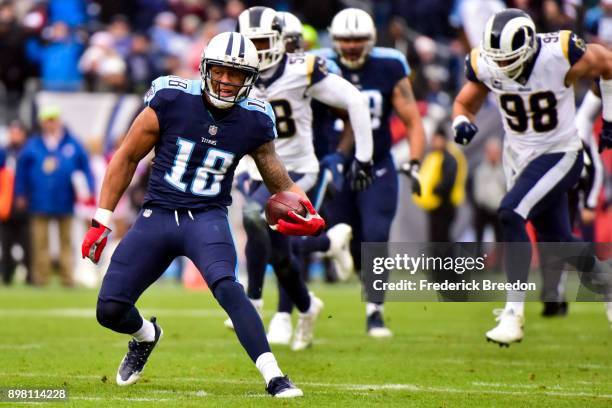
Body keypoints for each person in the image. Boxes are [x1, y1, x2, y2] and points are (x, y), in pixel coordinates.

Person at [82, 32, 325, 398]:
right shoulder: (170, 98)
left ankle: (275, 376)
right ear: (205, 68)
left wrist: (305, 207)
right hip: (158, 214)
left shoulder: (255, 120)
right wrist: (102, 220)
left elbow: (276, 175)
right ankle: (146, 335)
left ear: (250, 79)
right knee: (110, 309)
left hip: (206, 216)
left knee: (228, 286)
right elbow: (126, 157)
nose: (226, 80)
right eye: (220, 71)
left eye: (237, 74)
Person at [452, 8, 612, 346]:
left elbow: (608, 65)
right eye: (499, 60)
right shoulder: (486, 62)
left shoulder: (560, 51)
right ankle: (606, 280)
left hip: (560, 152)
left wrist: (609, 117)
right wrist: (460, 121)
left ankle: (513, 313)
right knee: (558, 244)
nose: (504, 67)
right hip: (518, 158)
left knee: (510, 212)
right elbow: (465, 104)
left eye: (511, 59)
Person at [234, 6, 373, 349]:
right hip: (257, 169)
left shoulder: (303, 69)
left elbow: (354, 101)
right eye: (252, 43)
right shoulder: (234, 72)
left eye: (265, 42)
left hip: (297, 171)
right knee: (280, 254)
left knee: (256, 216)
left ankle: (253, 302)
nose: (260, 51)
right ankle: (309, 305)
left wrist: (362, 158)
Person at [311, 8, 426, 337]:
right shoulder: (318, 65)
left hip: (376, 165)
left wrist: (415, 161)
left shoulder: (389, 65)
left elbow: (412, 120)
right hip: (334, 167)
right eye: (345, 40)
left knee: (375, 235)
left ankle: (375, 311)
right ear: (334, 40)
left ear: (371, 39)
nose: (350, 46)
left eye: (357, 39)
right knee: (345, 237)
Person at [15, 105, 94, 287]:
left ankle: (67, 276)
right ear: (42, 122)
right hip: (39, 199)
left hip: (65, 199)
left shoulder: (73, 143)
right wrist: (20, 193)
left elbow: (85, 168)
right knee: (40, 241)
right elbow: (21, 171)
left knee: (66, 241)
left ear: (59, 120)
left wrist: (88, 190)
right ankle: (40, 277)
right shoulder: (33, 145)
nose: (50, 123)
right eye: (47, 120)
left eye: (53, 119)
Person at [413, 128, 467, 243]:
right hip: (434, 206)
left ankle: (445, 261)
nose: (435, 142)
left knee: (442, 239)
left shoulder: (449, 158)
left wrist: (434, 190)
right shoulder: (435, 156)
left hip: (444, 205)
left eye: (437, 140)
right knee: (436, 239)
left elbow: (447, 182)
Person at [0, 121, 31, 285]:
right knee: (6, 242)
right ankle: (6, 276)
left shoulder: (28, 152)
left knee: (27, 243)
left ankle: (30, 276)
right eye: (12, 132)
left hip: (24, 206)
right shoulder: (4, 152)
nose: (14, 136)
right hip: (6, 205)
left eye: (17, 132)